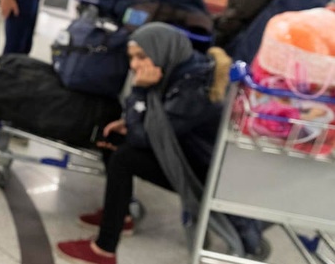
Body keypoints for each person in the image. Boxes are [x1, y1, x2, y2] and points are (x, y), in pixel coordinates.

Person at [56, 23, 227, 264]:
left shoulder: (194, 87)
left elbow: (145, 138)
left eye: (141, 57)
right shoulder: (180, 70)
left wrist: (138, 91)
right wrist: (130, 120)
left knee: (124, 158)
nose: (134, 65)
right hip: (180, 153)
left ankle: (104, 249)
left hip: (196, 172)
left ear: (162, 50)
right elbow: (158, 125)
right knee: (113, 135)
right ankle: (121, 214)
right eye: (132, 58)